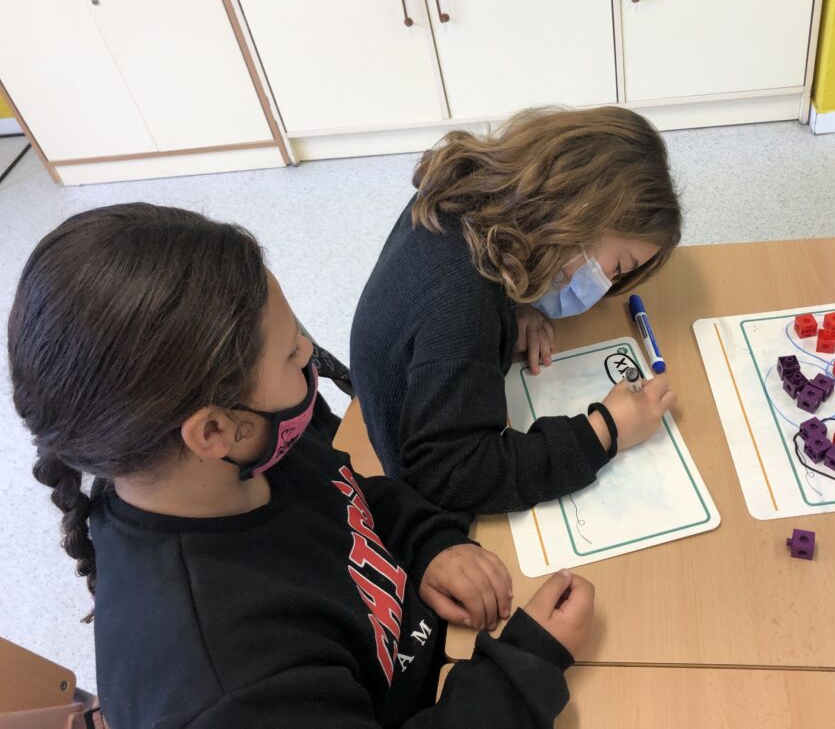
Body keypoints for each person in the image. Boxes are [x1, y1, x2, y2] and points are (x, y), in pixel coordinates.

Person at [8, 203, 594, 728]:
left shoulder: (254, 446)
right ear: (213, 430)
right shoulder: (227, 687)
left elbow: (350, 495)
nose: (310, 354)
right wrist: (525, 668)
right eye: (291, 352)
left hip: (438, 651)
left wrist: (428, 544)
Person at [351, 106, 681, 514]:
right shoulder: (466, 301)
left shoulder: (467, 193)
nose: (609, 285)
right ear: (579, 217)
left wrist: (517, 303)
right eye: (618, 267)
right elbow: (450, 476)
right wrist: (606, 428)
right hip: (421, 494)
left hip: (421, 403)